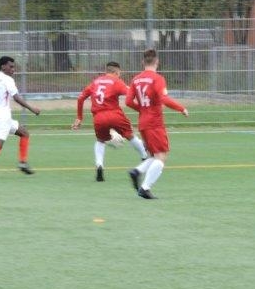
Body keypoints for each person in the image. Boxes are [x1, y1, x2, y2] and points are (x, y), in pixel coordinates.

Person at [124, 48, 189, 199]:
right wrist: (181, 108)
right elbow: (164, 99)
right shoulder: (158, 79)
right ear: (157, 62)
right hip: (155, 123)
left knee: (154, 155)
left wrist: (142, 109)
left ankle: (137, 171)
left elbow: (128, 101)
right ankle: (145, 188)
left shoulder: (136, 79)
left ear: (143, 62)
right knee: (161, 156)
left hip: (143, 122)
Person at [71, 60, 149, 181]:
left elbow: (80, 98)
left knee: (100, 140)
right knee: (130, 135)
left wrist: (79, 117)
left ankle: (99, 165)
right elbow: (130, 94)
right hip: (115, 114)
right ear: (116, 72)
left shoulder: (95, 82)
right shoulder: (116, 81)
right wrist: (143, 106)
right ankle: (144, 156)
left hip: (98, 117)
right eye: (119, 73)